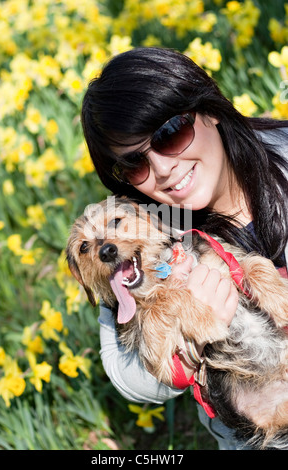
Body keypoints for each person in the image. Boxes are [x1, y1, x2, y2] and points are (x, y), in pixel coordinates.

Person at [80, 47, 288, 450]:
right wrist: (184, 344)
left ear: (210, 109)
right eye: (135, 163)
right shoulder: (138, 228)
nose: (162, 169)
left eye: (170, 134)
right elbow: (128, 376)